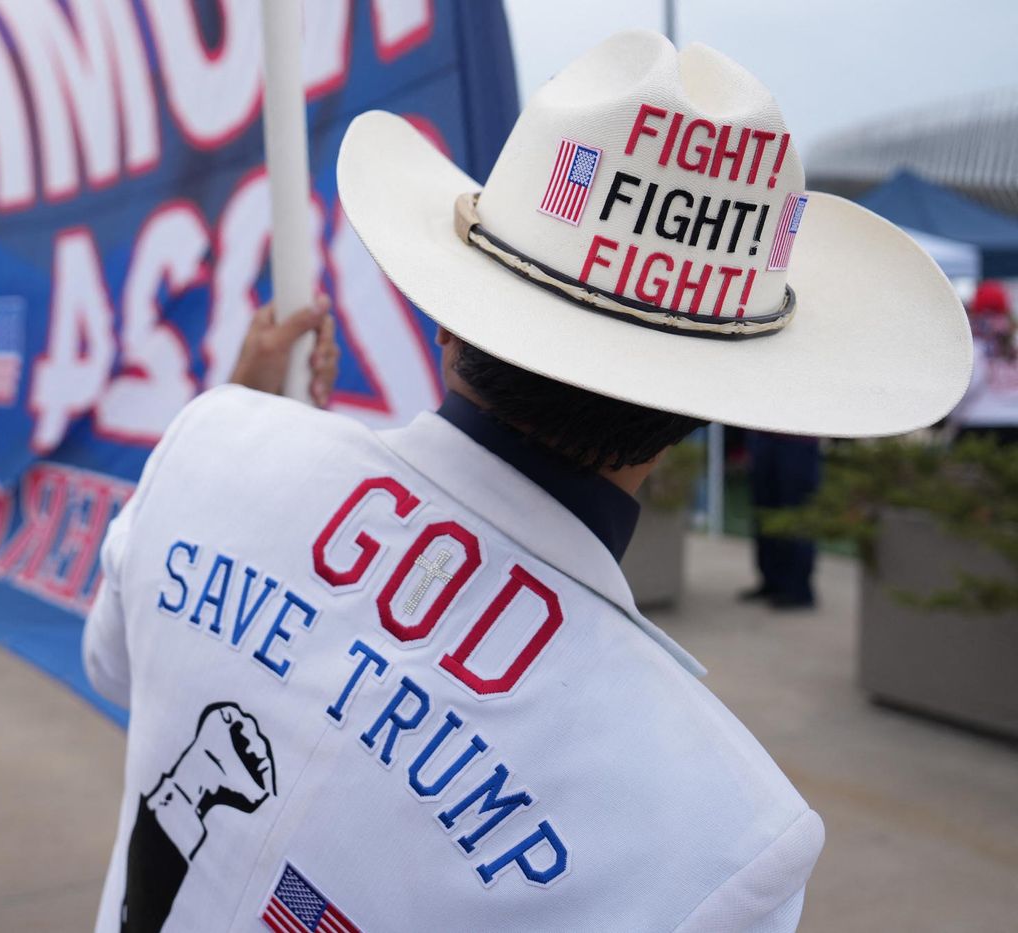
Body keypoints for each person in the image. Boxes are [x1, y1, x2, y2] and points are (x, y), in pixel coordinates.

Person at [83, 33, 973, 932]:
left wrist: (247, 416)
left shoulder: (210, 445)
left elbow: (118, 664)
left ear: (448, 317)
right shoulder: (724, 840)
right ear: (698, 411)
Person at [740, 432, 822, 609]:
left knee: (796, 512)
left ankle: (798, 589)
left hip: (798, 438)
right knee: (764, 509)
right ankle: (772, 581)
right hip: (763, 434)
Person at [951, 280, 1018, 445]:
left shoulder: (975, 346)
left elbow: (965, 387)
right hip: (1010, 422)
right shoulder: (1012, 342)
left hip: (977, 422)